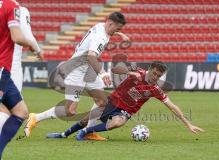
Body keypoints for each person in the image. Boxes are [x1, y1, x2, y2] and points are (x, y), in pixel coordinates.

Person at [24, 12, 129, 140]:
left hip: (88, 70)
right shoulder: (100, 37)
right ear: (111, 23)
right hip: (77, 70)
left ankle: (88, 132)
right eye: (117, 29)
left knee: (102, 102)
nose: (117, 31)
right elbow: (91, 56)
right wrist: (103, 73)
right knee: (70, 111)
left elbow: (108, 31)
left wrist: (119, 33)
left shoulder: (103, 26)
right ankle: (36, 117)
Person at [46, 61, 204, 141]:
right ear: (150, 69)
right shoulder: (137, 71)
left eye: (158, 76)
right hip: (112, 101)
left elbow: (172, 106)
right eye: (154, 73)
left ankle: (86, 132)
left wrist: (188, 124)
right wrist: (129, 72)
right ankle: (63, 134)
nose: (155, 77)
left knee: (118, 123)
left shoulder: (155, 89)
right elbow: (115, 69)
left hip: (125, 111)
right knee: (86, 118)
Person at [0, 0, 41, 159]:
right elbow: (18, 36)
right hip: (4, 67)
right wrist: (35, 48)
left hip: (5, 68)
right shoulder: (13, 7)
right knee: (6, 111)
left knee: (20, 111)